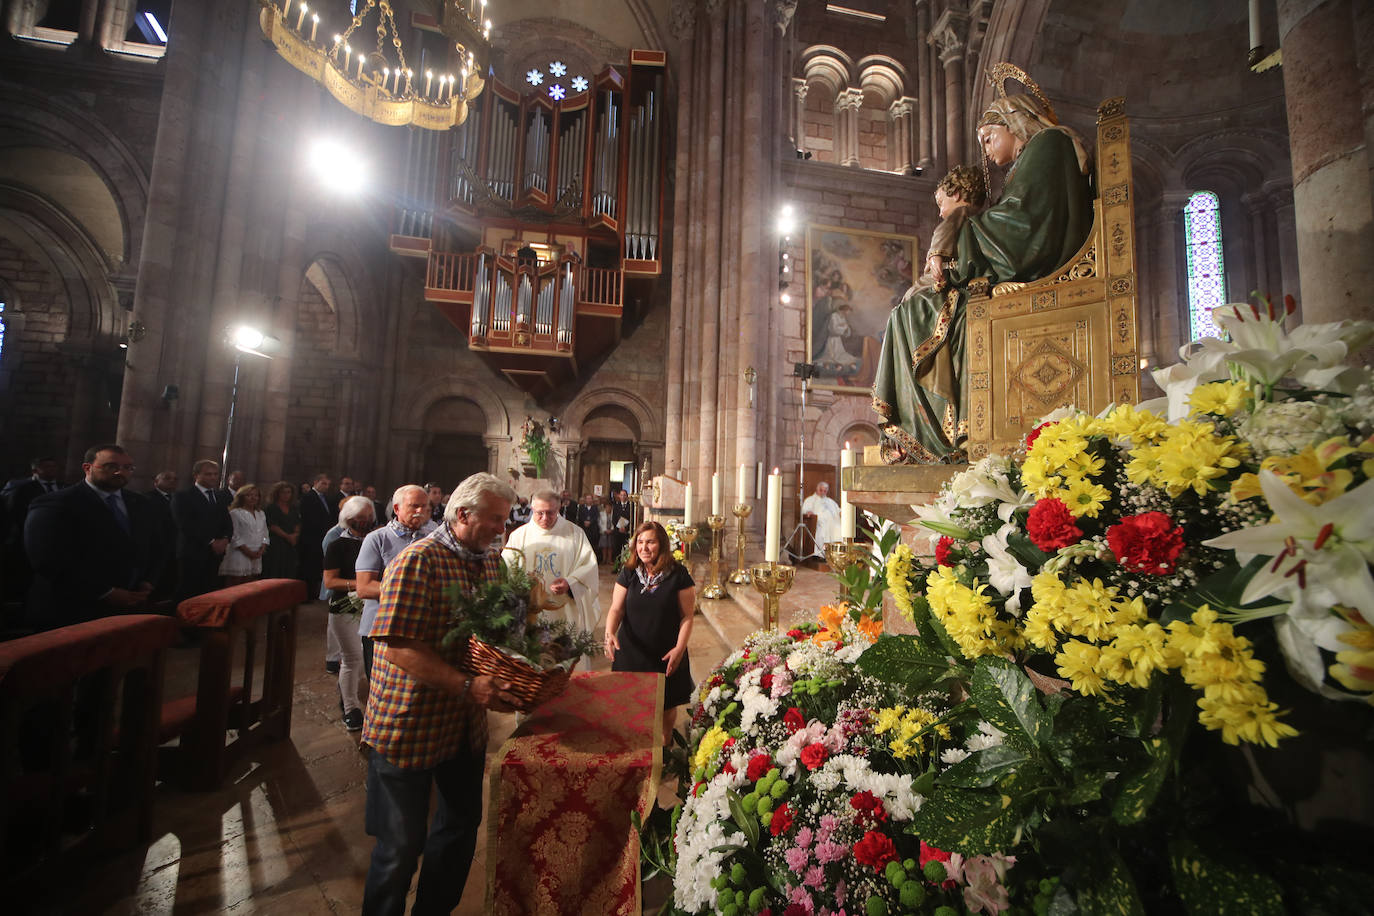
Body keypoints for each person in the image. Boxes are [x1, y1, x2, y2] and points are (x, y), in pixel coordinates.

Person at [872, 90, 1093, 464]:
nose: (988, 151)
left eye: (990, 138)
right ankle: (929, 431)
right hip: (1016, 270)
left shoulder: (1048, 144)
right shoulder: (1033, 157)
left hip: (1032, 270)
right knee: (913, 310)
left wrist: (962, 237)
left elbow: (1024, 227)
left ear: (1015, 122)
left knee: (910, 315)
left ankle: (935, 434)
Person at [361, 472, 520, 914]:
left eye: (504, 520)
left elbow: (494, 631)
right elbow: (396, 647)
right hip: (407, 724)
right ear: (463, 514)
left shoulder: (491, 561)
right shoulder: (418, 561)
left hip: (461, 726)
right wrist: (468, 685)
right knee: (399, 848)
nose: (500, 529)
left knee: (459, 830)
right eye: (494, 519)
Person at [23, 444, 163, 629]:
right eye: (111, 466)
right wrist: (105, 592)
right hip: (72, 608)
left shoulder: (141, 503)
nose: (120, 472)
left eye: (127, 467)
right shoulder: (55, 504)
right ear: (87, 468)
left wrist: (148, 580)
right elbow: (47, 559)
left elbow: (157, 544)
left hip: (130, 604)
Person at [604, 521, 696, 746]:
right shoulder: (629, 573)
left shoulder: (678, 574)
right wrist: (609, 633)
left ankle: (664, 745)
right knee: (631, 703)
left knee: (666, 706)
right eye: (640, 542)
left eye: (650, 542)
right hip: (632, 650)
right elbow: (616, 608)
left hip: (666, 652)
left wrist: (679, 649)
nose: (644, 548)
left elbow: (687, 617)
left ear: (662, 545)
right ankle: (637, 747)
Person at [355, 484, 436, 680]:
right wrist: (412, 593)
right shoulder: (377, 539)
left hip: (419, 628)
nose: (420, 511)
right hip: (381, 628)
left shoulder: (433, 539)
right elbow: (364, 587)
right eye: (414, 506)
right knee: (380, 687)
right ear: (397, 509)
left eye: (424, 507)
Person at [504, 488, 601, 641]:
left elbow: (588, 566)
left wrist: (570, 582)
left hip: (565, 609)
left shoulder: (575, 534)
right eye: (539, 513)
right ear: (532, 509)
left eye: (550, 512)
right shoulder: (519, 536)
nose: (544, 518)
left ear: (559, 508)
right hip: (529, 610)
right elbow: (507, 569)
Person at [323, 496, 375, 732]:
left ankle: (345, 694)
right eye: (360, 518)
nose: (364, 522)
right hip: (345, 607)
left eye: (368, 517)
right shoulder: (337, 545)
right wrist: (360, 584)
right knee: (352, 658)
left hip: (369, 607)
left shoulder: (374, 541)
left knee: (362, 663)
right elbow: (330, 581)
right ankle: (351, 709)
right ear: (349, 519)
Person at [171, 459, 233, 602]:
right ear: (196, 475)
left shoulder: (219, 496)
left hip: (215, 553)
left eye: (215, 474)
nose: (213, 477)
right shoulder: (183, 496)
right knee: (188, 591)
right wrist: (211, 541)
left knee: (209, 590)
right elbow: (185, 524)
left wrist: (225, 539)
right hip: (192, 551)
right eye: (208, 474)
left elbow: (227, 522)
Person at [219, 483, 269, 586]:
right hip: (240, 552)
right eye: (249, 495)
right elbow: (234, 535)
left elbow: (265, 532)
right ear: (242, 497)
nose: (253, 498)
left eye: (256, 495)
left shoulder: (261, 513)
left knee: (249, 583)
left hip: (257, 552)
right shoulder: (236, 513)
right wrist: (247, 551)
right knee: (235, 583)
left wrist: (262, 549)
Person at [262, 480, 301, 579]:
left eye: (288, 492)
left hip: (290, 543)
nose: (286, 495)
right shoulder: (271, 507)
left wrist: (295, 535)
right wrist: (287, 536)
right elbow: (272, 525)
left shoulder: (293, 508)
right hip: (276, 542)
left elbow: (297, 523)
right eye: (283, 492)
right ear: (277, 493)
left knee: (288, 569)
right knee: (275, 569)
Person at [801, 481, 842, 557]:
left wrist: (841, 512)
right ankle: (821, 554)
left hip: (833, 522)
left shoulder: (830, 501)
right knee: (823, 528)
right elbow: (805, 510)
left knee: (839, 527)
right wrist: (808, 512)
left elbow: (838, 510)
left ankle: (835, 553)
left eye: (825, 491)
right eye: (821, 490)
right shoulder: (810, 500)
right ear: (817, 490)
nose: (823, 492)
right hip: (818, 521)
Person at [611, 489, 633, 559]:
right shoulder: (616, 506)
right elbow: (614, 519)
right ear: (619, 496)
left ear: (627, 496)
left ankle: (626, 567)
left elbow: (632, 518)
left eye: (624, 495)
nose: (623, 497)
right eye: (621, 495)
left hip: (627, 532)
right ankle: (616, 567)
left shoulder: (631, 506)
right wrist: (619, 528)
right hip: (618, 532)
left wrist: (626, 528)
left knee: (627, 550)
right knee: (617, 550)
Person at [597, 496, 615, 565]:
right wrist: (604, 530)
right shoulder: (601, 514)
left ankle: (609, 560)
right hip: (604, 531)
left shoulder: (613, 514)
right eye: (607, 507)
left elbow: (614, 522)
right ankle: (604, 559)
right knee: (604, 546)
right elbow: (599, 523)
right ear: (605, 507)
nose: (608, 508)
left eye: (609, 507)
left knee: (610, 546)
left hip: (611, 531)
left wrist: (611, 530)